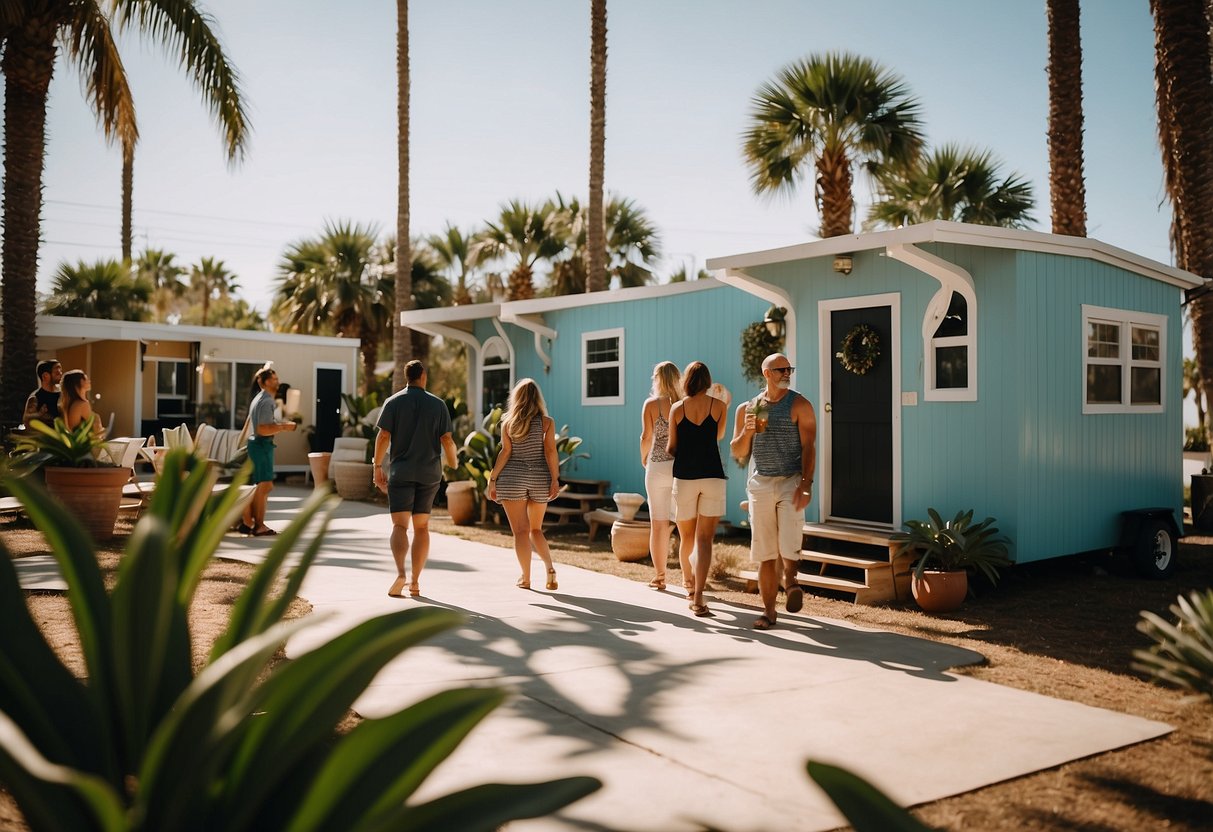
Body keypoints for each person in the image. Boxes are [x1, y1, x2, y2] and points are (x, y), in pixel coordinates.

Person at [730, 353, 817, 630]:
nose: (787, 373)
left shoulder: (800, 404)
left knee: (790, 540)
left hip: (791, 480)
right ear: (766, 373)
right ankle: (769, 612)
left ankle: (791, 581)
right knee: (766, 552)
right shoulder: (751, 408)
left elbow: (809, 447)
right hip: (761, 483)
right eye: (781, 369)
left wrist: (806, 484)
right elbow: (739, 452)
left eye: (789, 368)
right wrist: (747, 431)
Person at [373, 360, 458, 598]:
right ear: (423, 376)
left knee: (400, 526)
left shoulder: (393, 402)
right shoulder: (438, 405)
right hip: (429, 474)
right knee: (422, 528)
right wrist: (453, 462)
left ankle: (400, 572)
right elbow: (448, 441)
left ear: (406, 377)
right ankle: (415, 582)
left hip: (401, 472)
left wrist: (377, 466)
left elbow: (383, 437)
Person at [667, 361, 729, 618]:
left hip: (685, 477)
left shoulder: (677, 409)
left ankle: (688, 586)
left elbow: (672, 446)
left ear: (687, 381)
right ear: (707, 380)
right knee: (705, 540)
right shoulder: (720, 406)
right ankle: (700, 597)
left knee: (687, 537)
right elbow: (718, 436)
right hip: (712, 475)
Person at [487, 378, 561, 591]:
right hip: (539, 478)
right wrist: (554, 479)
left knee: (520, 531)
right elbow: (550, 452)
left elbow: (506, 452)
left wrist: (493, 480)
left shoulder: (508, 423)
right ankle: (550, 569)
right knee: (536, 530)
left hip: (512, 479)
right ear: (537, 398)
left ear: (516, 398)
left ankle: (526, 578)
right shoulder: (547, 423)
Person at [639, 361, 683, 591]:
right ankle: (690, 579)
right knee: (683, 524)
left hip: (656, 467)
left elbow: (646, 436)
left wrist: (643, 457)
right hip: (681, 468)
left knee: (657, 524)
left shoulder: (651, 404)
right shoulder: (684, 404)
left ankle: (660, 576)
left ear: (657, 379)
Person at [239, 366, 297, 537]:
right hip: (262, 445)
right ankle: (259, 526)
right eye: (272, 379)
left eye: (277, 378)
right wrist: (285, 427)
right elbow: (263, 429)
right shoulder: (266, 401)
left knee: (257, 486)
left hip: (257, 446)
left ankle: (246, 522)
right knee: (264, 485)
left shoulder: (259, 398)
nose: (276, 381)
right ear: (262, 382)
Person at [59, 370, 104, 436]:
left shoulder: (71, 403)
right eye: (86, 378)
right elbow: (96, 432)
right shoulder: (82, 404)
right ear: (81, 382)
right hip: (82, 445)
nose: (89, 381)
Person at [23, 359, 62, 426]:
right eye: (57, 372)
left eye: (61, 371)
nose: (61, 374)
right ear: (45, 376)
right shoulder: (35, 397)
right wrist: (39, 415)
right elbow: (26, 420)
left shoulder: (64, 394)